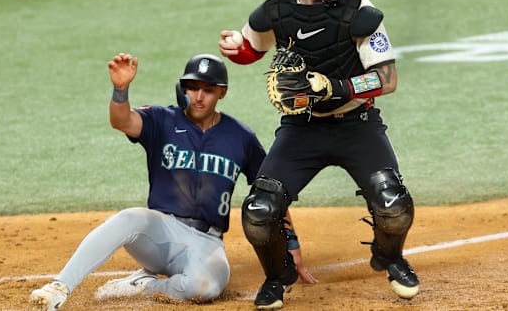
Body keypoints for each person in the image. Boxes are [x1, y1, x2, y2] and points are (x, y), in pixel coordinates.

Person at [218, 0, 419, 309]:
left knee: (393, 204)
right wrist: (234, 48)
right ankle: (278, 277)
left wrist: (335, 87)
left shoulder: (358, 8)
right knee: (259, 211)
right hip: (302, 129)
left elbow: (387, 78)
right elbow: (251, 48)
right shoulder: (277, 7)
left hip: (356, 125)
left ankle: (391, 257)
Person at [29, 53, 312, 310]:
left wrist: (290, 245)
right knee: (128, 219)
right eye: (192, 87)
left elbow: (269, 194)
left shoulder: (241, 137)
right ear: (182, 88)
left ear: (222, 93)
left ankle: (144, 286)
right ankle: (58, 288)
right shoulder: (161, 120)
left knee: (205, 288)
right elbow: (122, 121)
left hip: (207, 242)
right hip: (160, 232)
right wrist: (120, 90)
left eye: (208, 90)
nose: (199, 96)